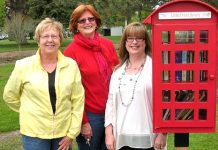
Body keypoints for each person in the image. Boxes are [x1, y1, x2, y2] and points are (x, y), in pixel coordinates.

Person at [3, 18, 84, 150]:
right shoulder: (23, 65)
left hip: (62, 133)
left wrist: (71, 133)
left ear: (60, 40)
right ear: (38, 40)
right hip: (34, 135)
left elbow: (78, 101)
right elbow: (9, 96)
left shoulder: (71, 65)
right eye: (45, 36)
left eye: (54, 36)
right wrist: (29, 111)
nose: (50, 40)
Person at [64, 3, 119, 150]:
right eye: (82, 20)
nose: (87, 22)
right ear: (75, 25)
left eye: (91, 19)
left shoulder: (107, 45)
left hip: (113, 111)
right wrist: (83, 122)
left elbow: (119, 75)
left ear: (97, 22)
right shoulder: (70, 53)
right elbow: (70, 92)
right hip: (90, 116)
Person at [104, 22, 167, 150]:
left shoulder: (156, 68)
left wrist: (163, 133)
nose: (134, 42)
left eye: (139, 38)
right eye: (130, 38)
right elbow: (110, 103)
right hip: (122, 137)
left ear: (145, 42)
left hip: (150, 137)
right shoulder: (117, 71)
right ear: (125, 42)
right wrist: (108, 132)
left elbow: (166, 102)